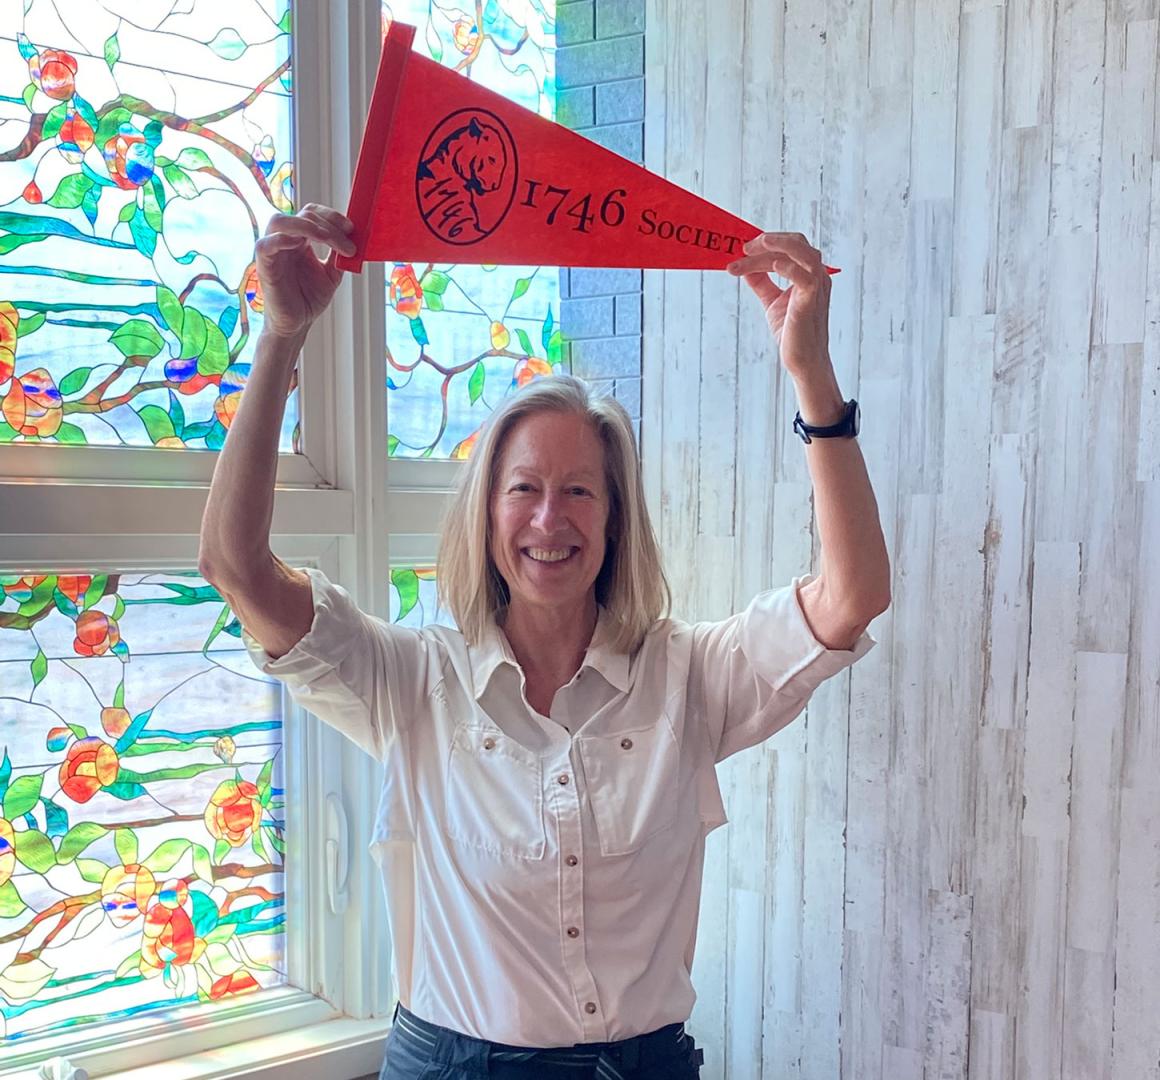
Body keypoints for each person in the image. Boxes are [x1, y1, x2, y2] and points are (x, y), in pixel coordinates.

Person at [198, 204, 891, 1080]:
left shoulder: (687, 675)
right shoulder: (413, 681)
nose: (549, 519)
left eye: (580, 493)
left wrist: (811, 374)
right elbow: (235, 566)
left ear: (614, 519)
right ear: (487, 513)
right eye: (523, 488)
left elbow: (854, 595)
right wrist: (281, 338)